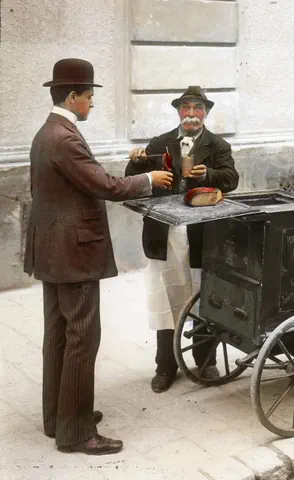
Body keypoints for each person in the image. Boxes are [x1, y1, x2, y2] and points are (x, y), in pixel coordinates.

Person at [23, 58, 173, 455]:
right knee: (82, 337)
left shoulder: (47, 133)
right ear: (72, 97)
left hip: (51, 249)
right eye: (89, 97)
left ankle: (58, 416)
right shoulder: (66, 138)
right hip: (73, 252)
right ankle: (75, 432)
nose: (92, 103)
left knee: (58, 333)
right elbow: (105, 185)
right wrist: (146, 179)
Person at [125, 86, 239, 393]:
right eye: (186, 107)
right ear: (178, 111)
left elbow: (232, 179)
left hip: (203, 236)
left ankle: (205, 362)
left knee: (204, 297)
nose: (191, 113)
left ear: (206, 112)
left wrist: (208, 176)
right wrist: (137, 161)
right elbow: (130, 179)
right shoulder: (160, 143)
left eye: (197, 108)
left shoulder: (217, 145)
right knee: (166, 299)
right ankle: (166, 367)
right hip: (165, 234)